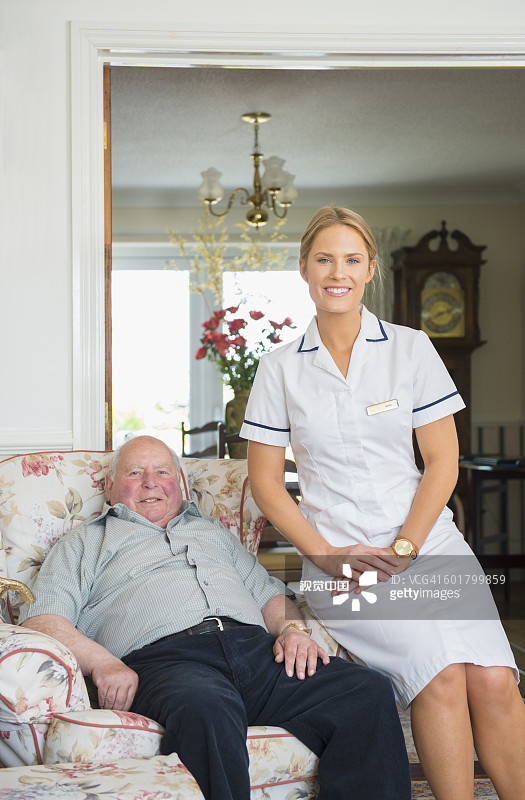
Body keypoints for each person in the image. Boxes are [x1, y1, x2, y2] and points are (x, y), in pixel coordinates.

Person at [242, 206, 525, 800]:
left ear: (370, 268)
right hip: (340, 563)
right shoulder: (279, 369)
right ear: (303, 269)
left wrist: (406, 546)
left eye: (350, 259)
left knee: (495, 679)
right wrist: (326, 555)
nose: (336, 272)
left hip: (429, 545)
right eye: (324, 259)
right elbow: (267, 483)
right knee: (441, 675)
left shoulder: (411, 349)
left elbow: (442, 462)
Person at [19, 434, 410, 800]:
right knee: (206, 708)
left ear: (181, 485)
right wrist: (103, 663)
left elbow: (269, 592)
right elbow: (43, 618)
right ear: (110, 488)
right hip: (168, 663)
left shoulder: (213, 532)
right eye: (135, 473)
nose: (151, 483)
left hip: (258, 654)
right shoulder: (85, 542)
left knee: (366, 691)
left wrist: (293, 631)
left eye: (162, 472)